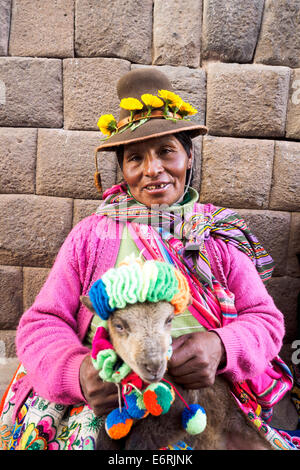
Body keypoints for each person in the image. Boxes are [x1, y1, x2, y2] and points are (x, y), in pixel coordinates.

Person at [0, 68, 299, 451]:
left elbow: (266, 321)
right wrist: (78, 373)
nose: (152, 169)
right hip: (110, 395)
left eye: (166, 152)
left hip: (204, 394)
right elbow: (43, 322)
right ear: (123, 171)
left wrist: (221, 347)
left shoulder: (216, 236)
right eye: (135, 158)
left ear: (188, 158)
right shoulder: (93, 236)